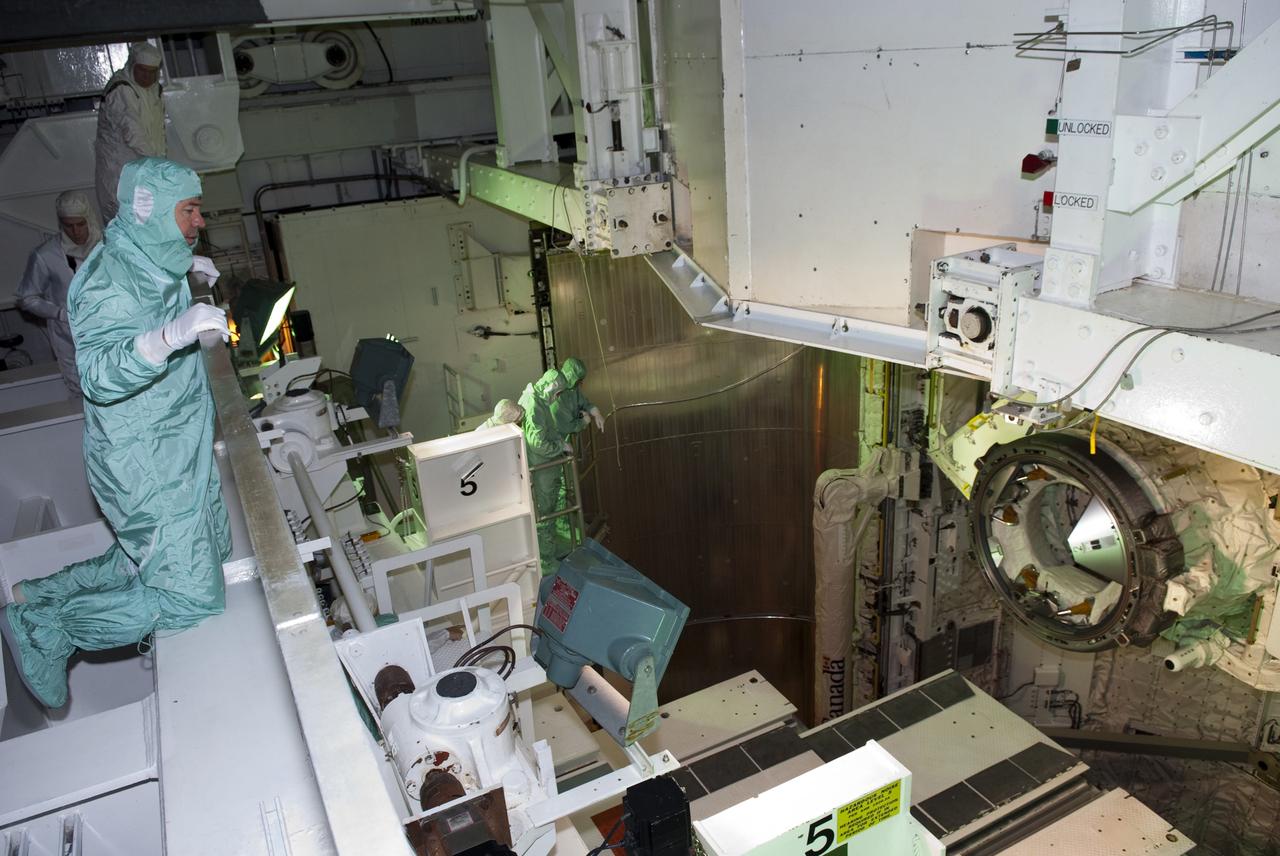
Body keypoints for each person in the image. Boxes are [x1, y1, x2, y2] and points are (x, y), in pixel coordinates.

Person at [0, 158, 232, 709]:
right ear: (150, 210)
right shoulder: (107, 280)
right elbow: (100, 375)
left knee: (176, 550)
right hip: (147, 462)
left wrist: (184, 269)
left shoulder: (146, 253)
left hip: (175, 445)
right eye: (189, 211)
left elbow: (147, 292)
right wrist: (171, 336)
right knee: (190, 598)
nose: (200, 220)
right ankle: (49, 627)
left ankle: (39, 591)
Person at [14, 191, 103, 395]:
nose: (75, 231)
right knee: (82, 390)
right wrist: (60, 314)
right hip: (70, 337)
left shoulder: (108, 246)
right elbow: (26, 298)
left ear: (88, 218)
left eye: (80, 224)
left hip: (111, 330)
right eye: (68, 225)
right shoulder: (46, 255)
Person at [95, 42, 166, 223]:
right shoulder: (121, 89)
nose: (148, 76)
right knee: (125, 222)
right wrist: (160, 165)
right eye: (143, 70)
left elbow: (158, 131)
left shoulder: (154, 91)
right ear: (132, 65)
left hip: (146, 170)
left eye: (153, 72)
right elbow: (133, 132)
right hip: (120, 172)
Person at [518, 369, 569, 576]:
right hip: (541, 468)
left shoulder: (536, 400)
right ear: (552, 387)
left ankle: (548, 551)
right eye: (557, 393)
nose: (557, 398)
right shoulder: (534, 405)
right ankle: (546, 560)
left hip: (544, 467)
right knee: (544, 514)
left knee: (546, 512)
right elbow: (537, 443)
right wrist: (561, 447)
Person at [550, 357, 604, 547]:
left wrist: (595, 412)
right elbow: (565, 425)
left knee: (568, 487)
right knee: (560, 490)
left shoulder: (571, 390)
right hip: (556, 451)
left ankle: (568, 526)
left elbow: (582, 401)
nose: (581, 384)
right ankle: (564, 534)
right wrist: (584, 422)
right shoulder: (558, 398)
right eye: (579, 379)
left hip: (565, 448)